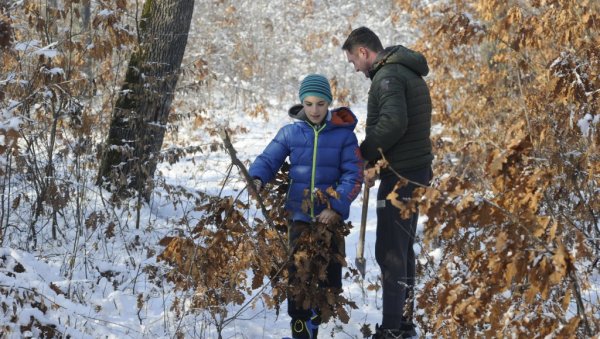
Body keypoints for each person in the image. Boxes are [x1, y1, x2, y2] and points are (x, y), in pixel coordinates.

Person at [248, 74, 363, 339]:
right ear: (302, 103)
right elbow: (269, 158)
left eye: (321, 104)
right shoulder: (291, 132)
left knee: (329, 275)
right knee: (298, 273)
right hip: (299, 215)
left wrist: (335, 206)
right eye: (309, 103)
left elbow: (353, 175)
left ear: (329, 104)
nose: (314, 110)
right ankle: (299, 325)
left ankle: (317, 316)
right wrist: (256, 177)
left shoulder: (344, 136)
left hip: (329, 219)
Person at [342, 27, 434, 339]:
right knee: (403, 249)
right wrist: (378, 166)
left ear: (364, 52)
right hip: (412, 171)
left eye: (353, 60)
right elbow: (403, 131)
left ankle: (393, 328)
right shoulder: (402, 70)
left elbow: (394, 123)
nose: (355, 67)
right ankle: (404, 324)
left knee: (391, 251)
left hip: (403, 177)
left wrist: (366, 155)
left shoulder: (389, 77)